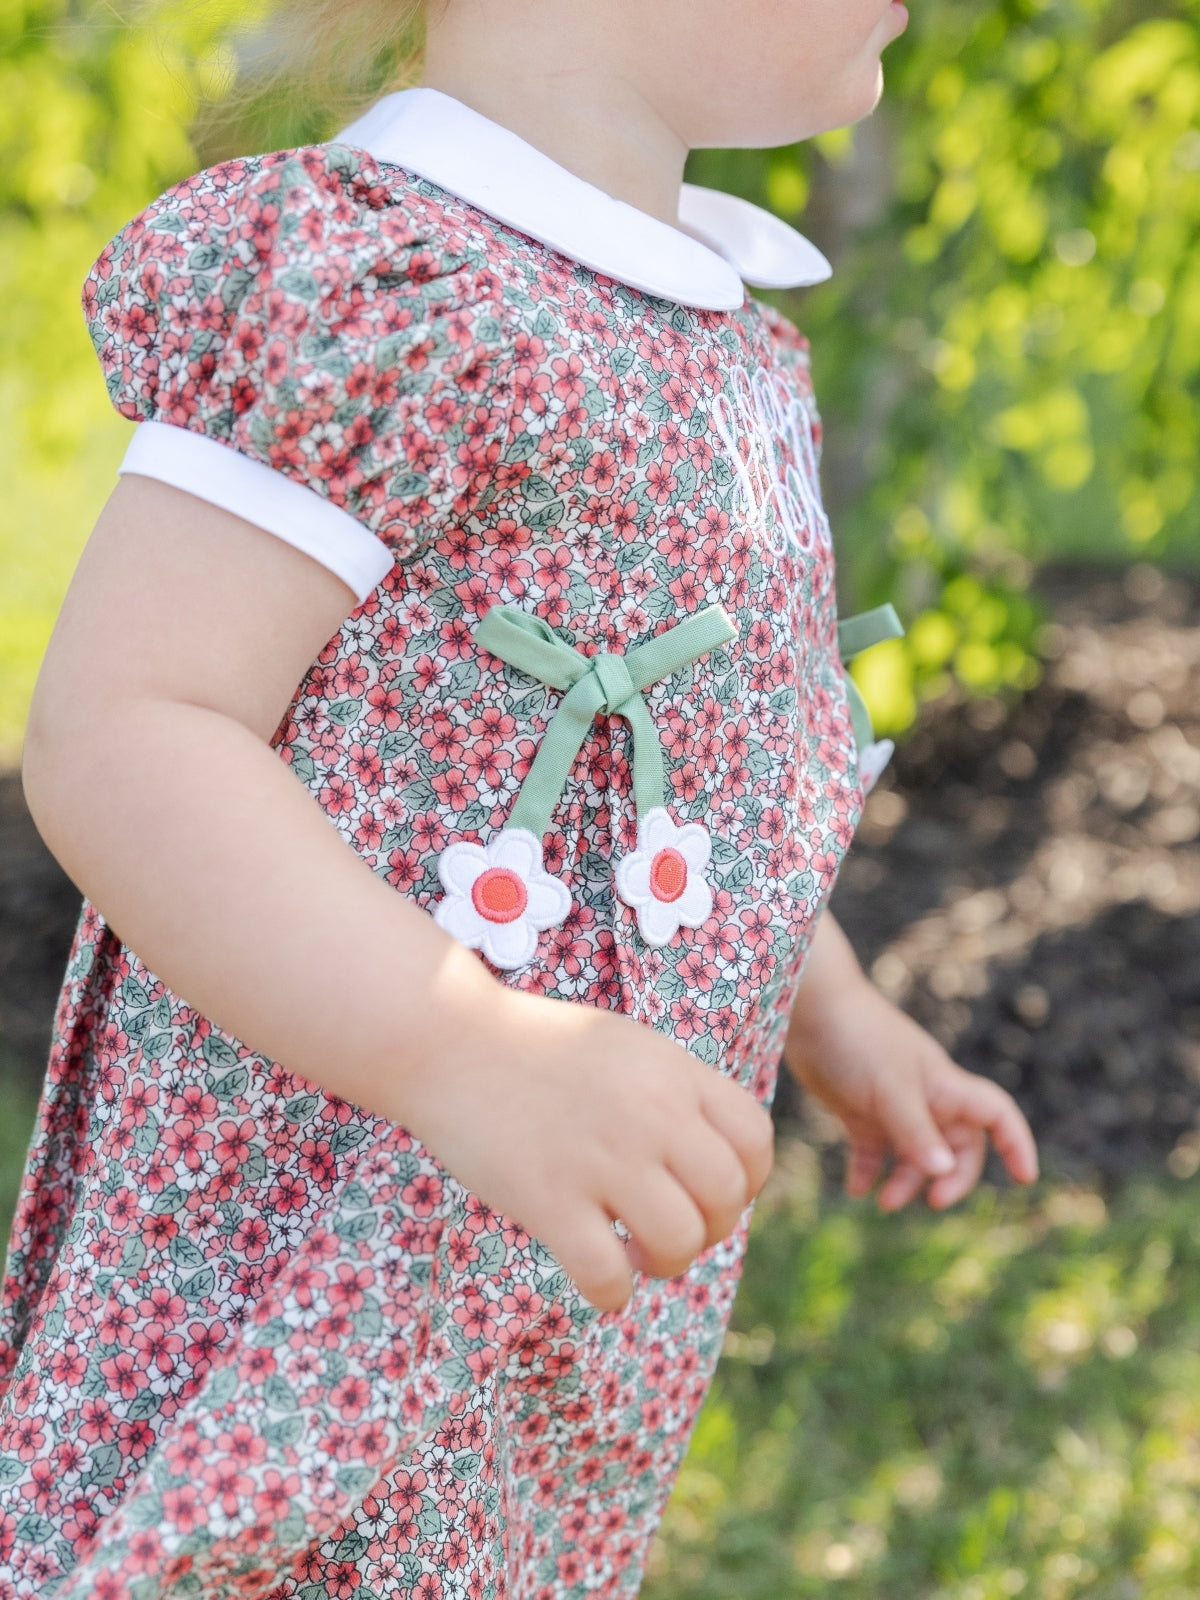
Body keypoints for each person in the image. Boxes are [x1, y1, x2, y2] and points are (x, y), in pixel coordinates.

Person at [5, 0, 1039, 1594]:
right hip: (330, 1229)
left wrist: (833, 1011)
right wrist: (463, 1045)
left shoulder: (722, 331)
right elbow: (132, 723)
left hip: (543, 1264)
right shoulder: (394, 288)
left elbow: (685, 768)